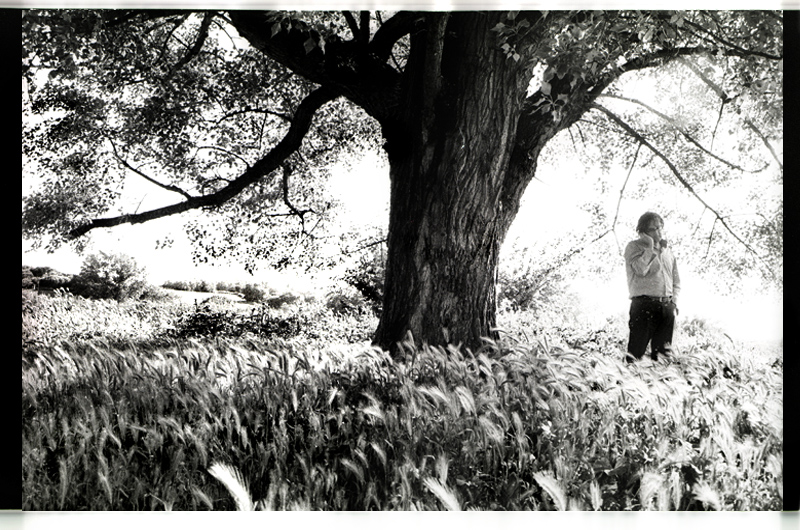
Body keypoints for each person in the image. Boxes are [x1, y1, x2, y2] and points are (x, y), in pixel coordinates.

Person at [623, 212, 681, 362]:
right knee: (635, 354)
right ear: (643, 232)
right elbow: (640, 270)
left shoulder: (668, 252)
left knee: (663, 357)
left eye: (660, 227)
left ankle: (659, 384)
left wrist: (673, 302)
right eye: (653, 229)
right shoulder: (633, 247)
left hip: (667, 307)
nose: (659, 231)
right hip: (643, 306)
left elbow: (676, 281)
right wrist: (649, 248)